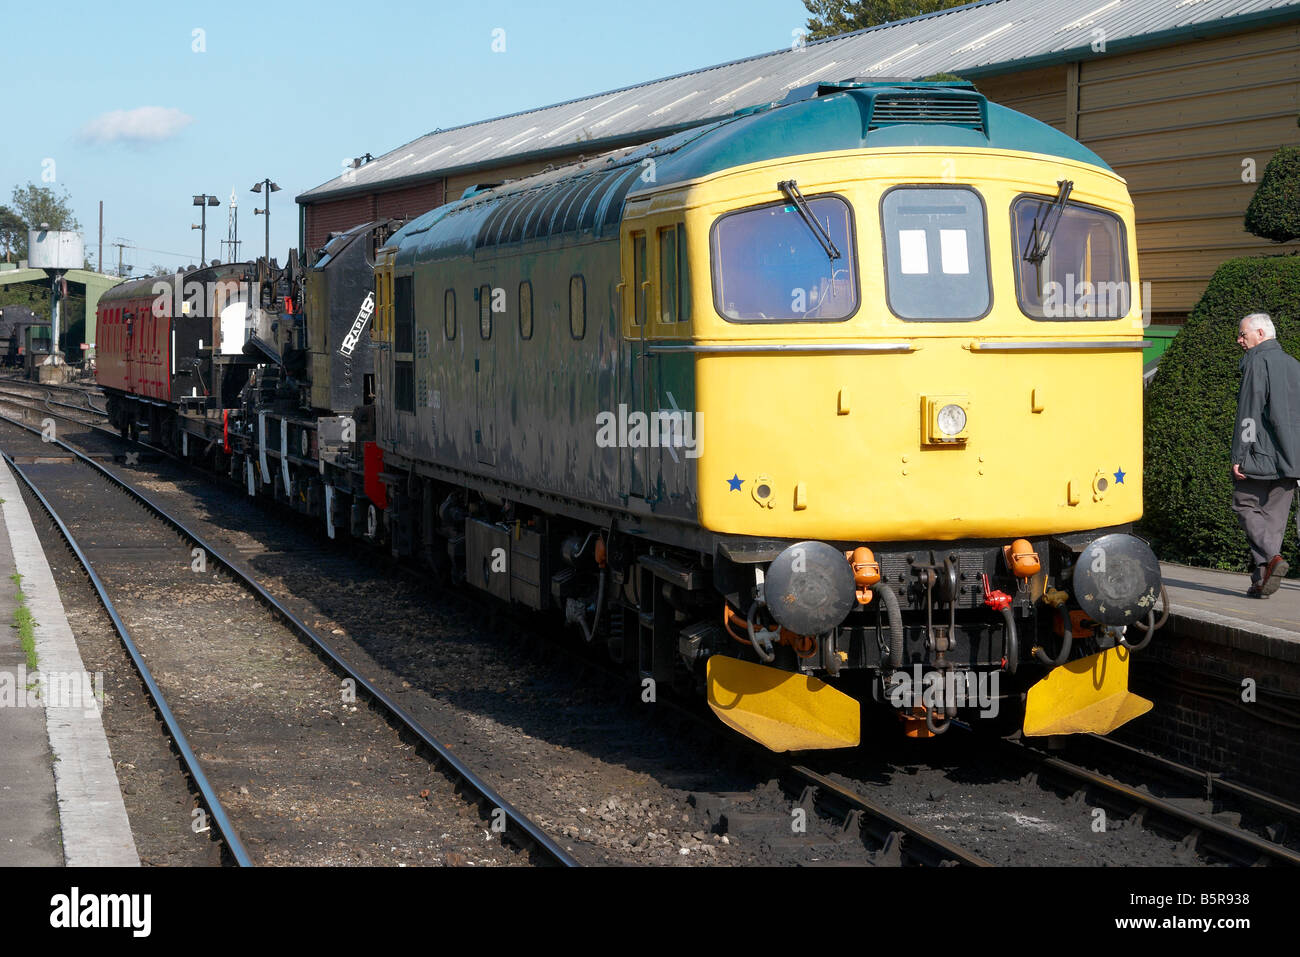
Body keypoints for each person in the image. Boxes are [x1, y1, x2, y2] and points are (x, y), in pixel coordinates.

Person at [1231, 312, 1300, 597]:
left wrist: (1240, 454)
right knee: (1274, 519)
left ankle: (1273, 558)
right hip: (1293, 459)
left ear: (1260, 334)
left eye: (1243, 335)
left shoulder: (1257, 362)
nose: (1239, 340)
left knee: (1244, 505)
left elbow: (1249, 414)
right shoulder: (1294, 365)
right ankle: (1261, 581)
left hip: (1259, 455)